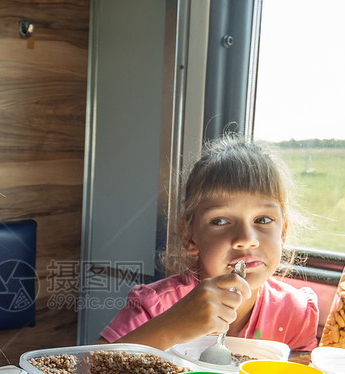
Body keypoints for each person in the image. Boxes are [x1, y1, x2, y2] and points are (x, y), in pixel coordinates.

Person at [97, 134, 319, 352]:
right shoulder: (156, 307)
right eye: (220, 221)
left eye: (263, 220)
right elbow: (85, 371)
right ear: (189, 235)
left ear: (283, 232)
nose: (246, 239)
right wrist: (171, 328)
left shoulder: (295, 313)